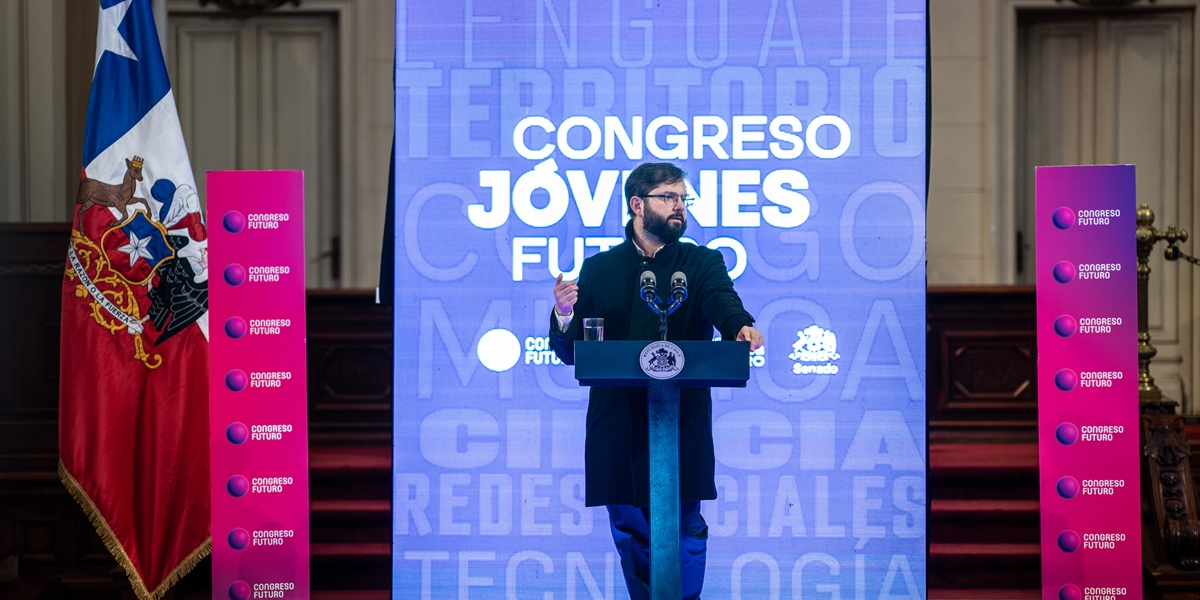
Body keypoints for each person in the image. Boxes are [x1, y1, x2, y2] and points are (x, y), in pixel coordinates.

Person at [548, 161, 764, 600]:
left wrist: (738, 325)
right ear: (637, 204)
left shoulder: (702, 262)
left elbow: (722, 300)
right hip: (619, 422)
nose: (679, 207)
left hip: (679, 419)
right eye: (669, 198)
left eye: (684, 199)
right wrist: (564, 314)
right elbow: (573, 351)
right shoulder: (600, 268)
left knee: (684, 528)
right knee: (632, 530)